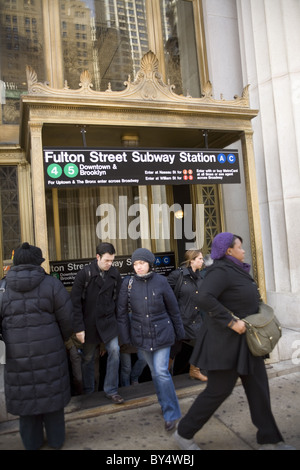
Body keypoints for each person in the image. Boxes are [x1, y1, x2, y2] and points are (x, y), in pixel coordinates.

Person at [174, 232, 294, 451]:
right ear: (229, 251)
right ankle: (184, 433)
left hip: (246, 343)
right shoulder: (220, 271)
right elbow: (203, 298)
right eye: (240, 247)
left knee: (258, 388)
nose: (244, 250)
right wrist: (230, 321)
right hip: (225, 344)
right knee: (218, 391)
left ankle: (270, 441)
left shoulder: (236, 269)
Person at [0, 242, 73, 450]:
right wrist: (59, 340)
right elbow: (67, 321)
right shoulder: (52, 285)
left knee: (26, 404)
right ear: (36, 262)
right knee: (52, 400)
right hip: (51, 353)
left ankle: (31, 443)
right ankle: (57, 441)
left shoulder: (2, 288)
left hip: (17, 357)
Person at [117, 248, 185, 431]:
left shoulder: (162, 282)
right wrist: (125, 338)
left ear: (149, 264)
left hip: (163, 334)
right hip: (141, 337)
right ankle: (165, 406)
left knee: (162, 372)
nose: (138, 267)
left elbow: (174, 309)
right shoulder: (127, 283)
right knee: (155, 373)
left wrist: (180, 332)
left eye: (142, 263)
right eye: (135, 264)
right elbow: (122, 313)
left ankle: (172, 414)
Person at [71, 242, 124, 404]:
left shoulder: (115, 274)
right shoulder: (84, 274)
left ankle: (111, 390)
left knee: (114, 351)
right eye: (107, 260)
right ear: (98, 257)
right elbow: (75, 304)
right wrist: (79, 328)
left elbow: (119, 301)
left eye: (112, 261)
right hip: (89, 325)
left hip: (109, 322)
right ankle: (88, 391)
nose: (110, 264)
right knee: (87, 358)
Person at [167, 249, 207, 381]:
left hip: (195, 317)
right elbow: (165, 293)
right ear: (192, 260)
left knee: (202, 342)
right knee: (175, 348)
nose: (202, 261)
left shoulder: (200, 277)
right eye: (200, 259)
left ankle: (195, 370)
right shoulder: (177, 275)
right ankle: (164, 374)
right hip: (180, 318)